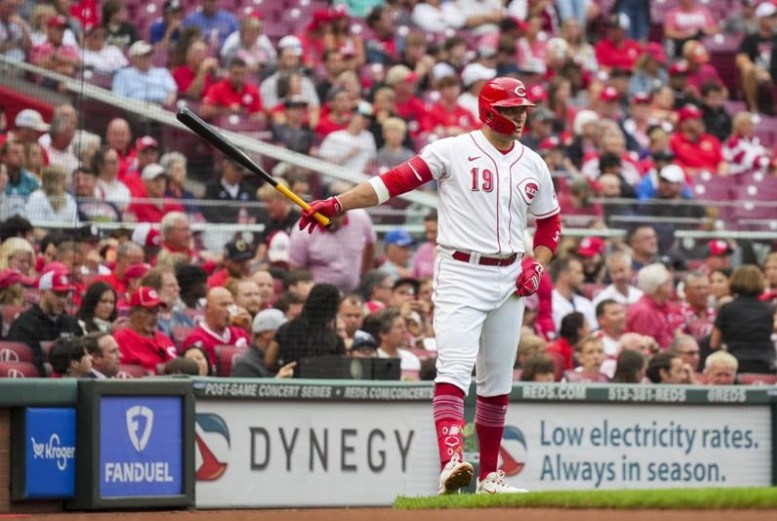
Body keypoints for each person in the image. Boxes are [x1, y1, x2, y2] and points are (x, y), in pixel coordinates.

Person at [297, 77, 559, 496]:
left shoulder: (533, 163)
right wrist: (339, 202)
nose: (520, 115)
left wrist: (538, 265)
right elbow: (392, 183)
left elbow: (549, 223)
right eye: (511, 108)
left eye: (523, 109)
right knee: (454, 368)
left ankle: (490, 476)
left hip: (510, 275)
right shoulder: (451, 150)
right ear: (490, 110)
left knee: (497, 381)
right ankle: (452, 463)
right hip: (461, 270)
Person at [6, 264, 78, 376]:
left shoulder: (71, 323)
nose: (63, 300)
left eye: (65, 294)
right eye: (58, 294)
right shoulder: (24, 324)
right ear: (43, 292)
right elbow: (28, 367)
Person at [266, 283, 346, 374]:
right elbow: (341, 369)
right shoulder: (334, 340)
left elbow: (269, 361)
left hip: (290, 382)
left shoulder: (286, 330)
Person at [711, 265, 776, 373]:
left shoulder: (727, 308)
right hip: (766, 363)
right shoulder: (769, 309)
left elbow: (714, 343)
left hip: (736, 363)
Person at [180, 286, 251, 368]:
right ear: (207, 308)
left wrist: (250, 331)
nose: (229, 310)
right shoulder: (195, 339)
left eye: (231, 305)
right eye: (223, 305)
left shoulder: (241, 333)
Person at [113, 285, 178, 374]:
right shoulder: (121, 338)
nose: (155, 317)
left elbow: (176, 368)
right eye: (150, 312)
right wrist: (153, 370)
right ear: (134, 312)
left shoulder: (164, 339)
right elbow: (118, 371)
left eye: (157, 311)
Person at [231, 308, 296, 378]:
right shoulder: (245, 365)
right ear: (265, 333)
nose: (285, 334)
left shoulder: (279, 360)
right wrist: (277, 382)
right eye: (281, 331)